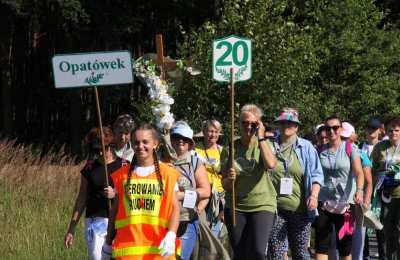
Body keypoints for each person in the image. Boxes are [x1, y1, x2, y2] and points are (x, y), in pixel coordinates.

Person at [102, 123, 181, 260]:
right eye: (136, 142)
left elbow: (175, 209)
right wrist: (108, 244)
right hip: (127, 253)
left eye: (145, 142)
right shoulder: (122, 175)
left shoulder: (167, 174)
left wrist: (172, 234)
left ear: (155, 144)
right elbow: (115, 212)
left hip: (159, 251)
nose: (140, 146)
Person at [221, 104, 277, 260]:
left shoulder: (265, 144)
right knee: (240, 253)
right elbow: (225, 185)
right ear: (238, 124)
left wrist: (261, 137)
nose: (248, 127)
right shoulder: (230, 148)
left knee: (258, 251)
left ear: (259, 124)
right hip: (236, 206)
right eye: (244, 123)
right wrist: (230, 179)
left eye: (253, 124)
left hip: (262, 204)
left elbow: (271, 165)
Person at [267, 108, 323, 260]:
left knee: (300, 253)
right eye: (283, 122)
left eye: (291, 123)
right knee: (276, 253)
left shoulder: (306, 147)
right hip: (275, 208)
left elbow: (317, 174)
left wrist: (314, 195)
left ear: (297, 126)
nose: (287, 125)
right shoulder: (270, 146)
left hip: (300, 209)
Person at [64, 127, 120, 260]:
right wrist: (71, 228)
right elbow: (81, 198)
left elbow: (131, 194)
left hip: (119, 221)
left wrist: (116, 193)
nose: (100, 152)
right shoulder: (89, 168)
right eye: (96, 149)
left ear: (110, 145)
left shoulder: (124, 165)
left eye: (103, 147)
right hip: (96, 221)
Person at [313, 116, 364, 260]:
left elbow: (359, 173)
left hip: (346, 203)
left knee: (345, 246)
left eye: (335, 127)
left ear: (340, 129)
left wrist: (359, 190)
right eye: (327, 128)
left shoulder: (350, 148)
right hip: (324, 202)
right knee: (321, 244)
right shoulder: (319, 150)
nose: (331, 131)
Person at [170, 121, 211, 260]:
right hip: (163, 220)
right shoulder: (160, 161)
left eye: (185, 138)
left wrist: (181, 195)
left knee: (179, 257)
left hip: (186, 220)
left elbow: (206, 191)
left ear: (190, 142)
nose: (180, 141)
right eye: (176, 137)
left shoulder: (195, 162)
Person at [370, 116, 400, 259]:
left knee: (399, 231)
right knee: (386, 231)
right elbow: (371, 169)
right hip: (385, 195)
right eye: (390, 130)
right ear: (385, 131)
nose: (393, 132)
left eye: (397, 130)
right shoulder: (380, 147)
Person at [194, 119, 225, 237]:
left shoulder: (222, 151)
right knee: (201, 227)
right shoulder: (196, 149)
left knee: (215, 232)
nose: (213, 135)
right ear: (204, 132)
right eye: (210, 131)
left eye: (216, 132)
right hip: (202, 195)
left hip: (219, 197)